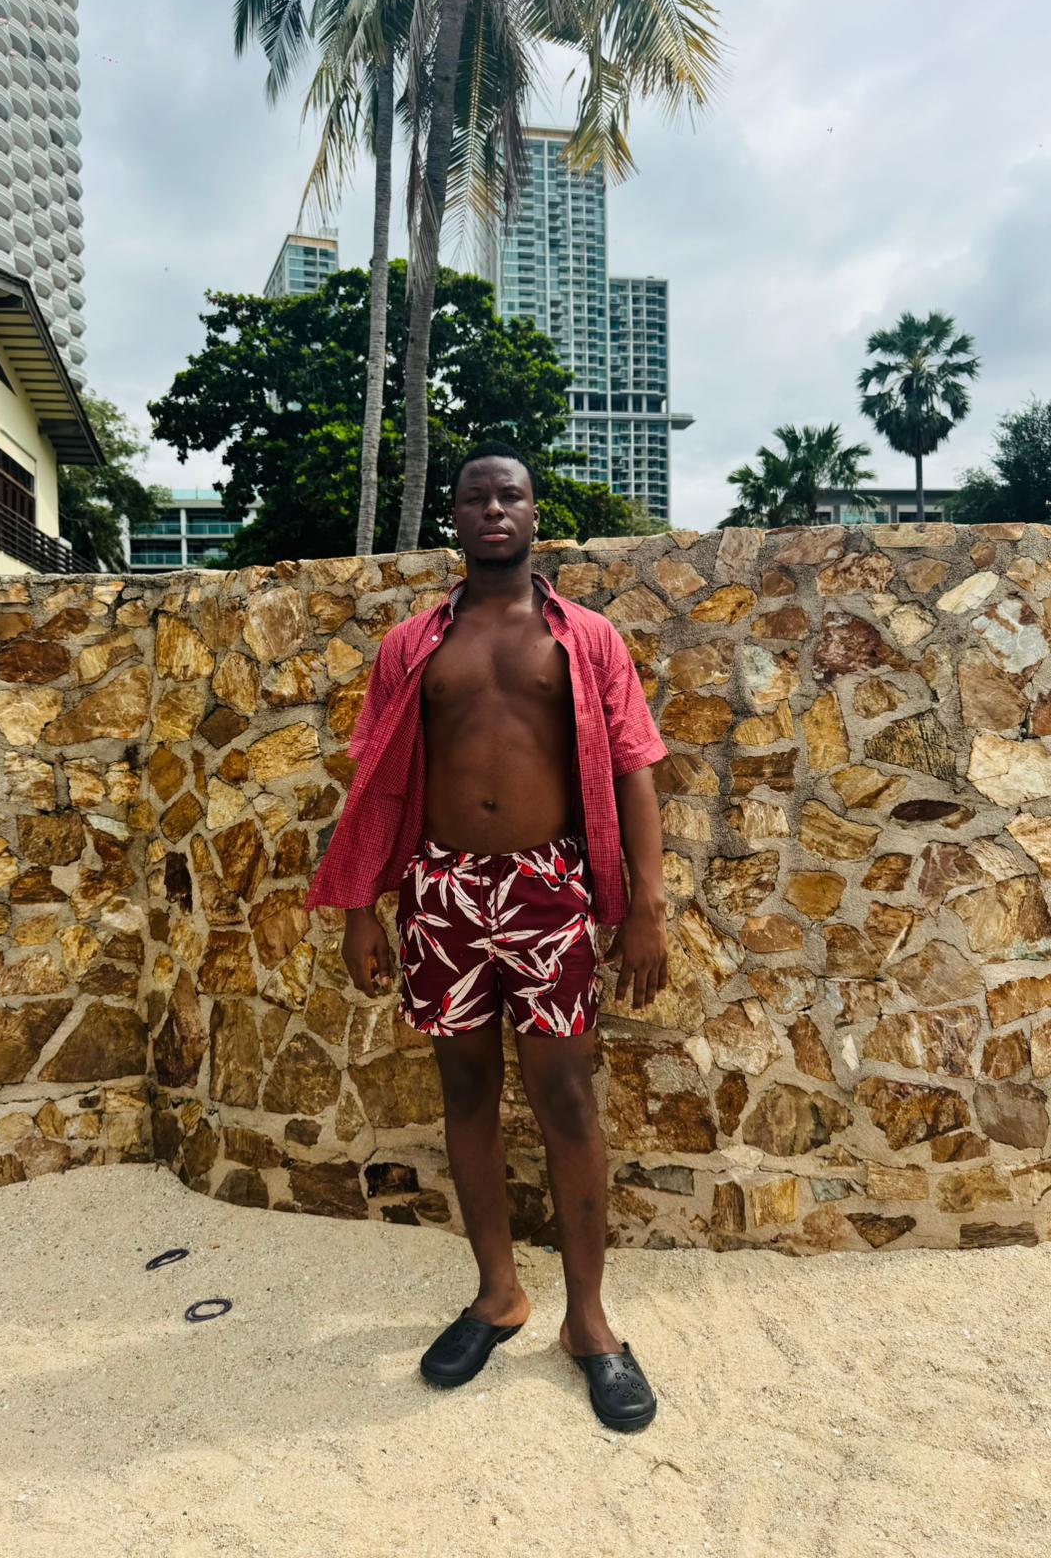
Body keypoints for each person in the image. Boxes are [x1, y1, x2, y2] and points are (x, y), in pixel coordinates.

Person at [305, 441, 670, 1432]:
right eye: (477, 496)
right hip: (443, 891)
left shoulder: (587, 640)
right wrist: (358, 907)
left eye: (510, 494)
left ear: (533, 512)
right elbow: (378, 780)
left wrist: (646, 905)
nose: (494, 508)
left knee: (566, 1095)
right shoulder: (413, 646)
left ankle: (589, 1324)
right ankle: (499, 1293)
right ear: (456, 518)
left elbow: (634, 769)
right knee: (465, 1089)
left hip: (552, 890)